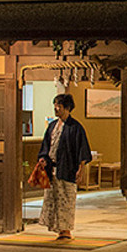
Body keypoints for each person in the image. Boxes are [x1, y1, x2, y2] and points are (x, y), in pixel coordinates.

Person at [37, 93, 92, 241]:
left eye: (59, 106)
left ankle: (66, 230)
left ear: (67, 108)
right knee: (54, 199)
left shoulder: (76, 127)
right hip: (52, 168)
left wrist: (81, 169)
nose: (56, 109)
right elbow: (46, 146)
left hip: (68, 168)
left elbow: (82, 149)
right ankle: (58, 229)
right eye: (55, 105)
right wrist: (43, 158)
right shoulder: (52, 126)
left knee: (66, 199)